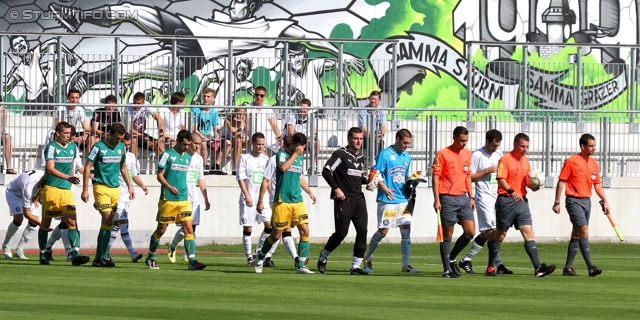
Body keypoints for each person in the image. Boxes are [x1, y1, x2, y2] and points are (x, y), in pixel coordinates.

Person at [486, 133, 556, 277]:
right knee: (500, 236)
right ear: (515, 145)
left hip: (522, 201)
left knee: (529, 232)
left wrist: (533, 186)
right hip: (506, 201)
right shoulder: (505, 160)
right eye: (522, 146)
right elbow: (501, 179)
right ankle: (490, 267)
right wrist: (511, 191)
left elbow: (525, 181)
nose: (525, 149)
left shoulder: (526, 161)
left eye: (527, 147)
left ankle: (538, 268)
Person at [253, 133, 316, 274]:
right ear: (294, 144)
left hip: (297, 201)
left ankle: (300, 265)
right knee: (276, 235)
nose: (301, 150)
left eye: (304, 147)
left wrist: (309, 192)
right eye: (300, 146)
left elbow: (299, 178)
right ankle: (260, 256)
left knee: (305, 230)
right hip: (282, 202)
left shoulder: (299, 158)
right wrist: (260, 200)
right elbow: (283, 168)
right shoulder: (282, 155)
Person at [145, 130, 206, 270]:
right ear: (177, 141)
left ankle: (192, 261)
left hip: (183, 199)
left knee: (189, 229)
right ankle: (151, 257)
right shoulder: (166, 155)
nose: (186, 147)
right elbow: (159, 175)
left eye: (188, 145)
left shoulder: (188, 158)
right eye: (184, 144)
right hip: (168, 198)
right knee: (161, 229)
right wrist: (169, 186)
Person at [363, 129, 418, 273]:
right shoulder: (385, 154)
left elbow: (405, 176)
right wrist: (385, 188)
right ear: (397, 139)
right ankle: (367, 258)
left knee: (406, 231)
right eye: (405, 143)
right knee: (383, 231)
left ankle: (406, 265)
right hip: (388, 199)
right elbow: (377, 174)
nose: (407, 146)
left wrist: (412, 182)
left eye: (409, 143)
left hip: (403, 199)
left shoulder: (407, 156)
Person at [459, 129, 513, 275]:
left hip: (497, 196)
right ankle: (497, 264)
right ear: (487, 141)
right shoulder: (476, 155)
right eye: (494, 145)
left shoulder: (499, 154)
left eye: (498, 145)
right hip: (483, 196)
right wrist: (486, 171)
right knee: (493, 230)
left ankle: (466, 260)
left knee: (490, 232)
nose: (496, 148)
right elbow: (469, 177)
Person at [317, 127, 370, 275]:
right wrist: (336, 188)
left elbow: (357, 177)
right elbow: (326, 171)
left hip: (358, 198)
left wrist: (369, 182)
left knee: (362, 230)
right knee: (341, 233)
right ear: (349, 139)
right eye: (355, 138)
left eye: (361, 138)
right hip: (344, 199)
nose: (359, 141)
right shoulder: (340, 154)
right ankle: (324, 255)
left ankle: (356, 266)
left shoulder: (360, 157)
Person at [553, 133, 606, 277]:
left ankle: (567, 268)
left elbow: (598, 185)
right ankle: (591, 267)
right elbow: (561, 181)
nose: (594, 148)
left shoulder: (594, 163)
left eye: (594, 145)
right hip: (573, 200)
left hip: (587, 202)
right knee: (584, 231)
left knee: (576, 234)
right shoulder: (571, 161)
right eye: (591, 146)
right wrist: (557, 202)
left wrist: (604, 201)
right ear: (583, 146)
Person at [38, 121, 91, 266]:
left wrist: (85, 176)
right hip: (52, 190)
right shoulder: (51, 147)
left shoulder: (73, 147)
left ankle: (76, 254)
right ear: (58, 133)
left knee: (72, 222)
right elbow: (49, 168)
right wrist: (68, 177)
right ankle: (43, 254)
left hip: (66, 191)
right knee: (46, 223)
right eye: (66, 133)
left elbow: (73, 167)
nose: (68, 136)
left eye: (70, 133)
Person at [82, 123, 134, 267]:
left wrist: (130, 186)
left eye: (121, 139)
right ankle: (104, 256)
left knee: (107, 224)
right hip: (101, 186)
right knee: (108, 219)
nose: (119, 141)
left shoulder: (121, 147)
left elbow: (123, 167)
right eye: (117, 138)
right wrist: (85, 189)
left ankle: (99, 258)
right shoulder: (98, 147)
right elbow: (87, 167)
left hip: (115, 188)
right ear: (110, 134)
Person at [432, 126, 475, 278]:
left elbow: (467, 176)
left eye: (466, 141)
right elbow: (436, 177)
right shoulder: (442, 154)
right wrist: (437, 199)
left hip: (463, 197)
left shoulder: (467, 154)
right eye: (462, 141)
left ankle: (452, 258)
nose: (464, 144)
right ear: (454, 138)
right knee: (447, 235)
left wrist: (471, 197)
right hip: (447, 198)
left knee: (470, 232)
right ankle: (446, 270)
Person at [236, 132, 279, 267]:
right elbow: (241, 179)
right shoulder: (244, 159)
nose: (260, 147)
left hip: (263, 199)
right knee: (248, 228)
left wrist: (272, 196)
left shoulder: (266, 159)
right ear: (252, 144)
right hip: (248, 198)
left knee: (270, 226)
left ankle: (259, 249)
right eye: (258, 144)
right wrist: (247, 195)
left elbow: (268, 181)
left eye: (262, 144)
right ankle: (249, 256)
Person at [168, 132, 211, 264]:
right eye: (195, 143)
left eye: (199, 144)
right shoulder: (182, 157)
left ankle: (186, 255)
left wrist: (206, 198)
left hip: (195, 199)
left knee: (192, 228)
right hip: (182, 198)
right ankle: (174, 246)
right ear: (189, 143)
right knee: (187, 228)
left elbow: (201, 179)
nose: (198, 146)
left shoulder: (198, 159)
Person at [109, 133, 149, 263]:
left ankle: (104, 252)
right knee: (122, 223)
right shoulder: (115, 155)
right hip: (117, 194)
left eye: (128, 145)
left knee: (117, 226)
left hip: (127, 195)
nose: (126, 147)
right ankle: (132, 253)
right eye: (124, 144)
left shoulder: (131, 157)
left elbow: (133, 175)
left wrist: (142, 185)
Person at [3, 169, 46, 259]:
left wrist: (37, 197)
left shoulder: (45, 176)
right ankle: (5, 245)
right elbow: (26, 214)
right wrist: (42, 225)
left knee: (33, 223)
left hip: (31, 194)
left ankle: (19, 250)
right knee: (19, 219)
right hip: (14, 193)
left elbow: (43, 188)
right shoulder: (29, 187)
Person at [284, 98, 321, 174]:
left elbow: (314, 132)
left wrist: (312, 137)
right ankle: (296, 167)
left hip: (305, 140)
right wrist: (301, 141)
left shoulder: (311, 117)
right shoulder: (292, 115)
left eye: (305, 109)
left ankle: (313, 167)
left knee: (317, 143)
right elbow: (290, 133)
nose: (302, 111)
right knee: (297, 144)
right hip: (294, 140)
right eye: (301, 108)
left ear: (309, 109)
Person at [192, 88, 220, 173]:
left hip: (208, 135)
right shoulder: (196, 110)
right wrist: (204, 137)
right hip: (197, 134)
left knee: (225, 144)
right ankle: (204, 165)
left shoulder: (214, 112)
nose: (206, 98)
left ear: (213, 99)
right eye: (204, 96)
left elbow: (216, 129)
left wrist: (217, 138)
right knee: (203, 144)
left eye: (208, 96)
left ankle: (216, 166)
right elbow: (194, 129)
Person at [127, 92, 164, 157]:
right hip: (129, 134)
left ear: (143, 103)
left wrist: (160, 134)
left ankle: (162, 166)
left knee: (158, 143)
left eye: (138, 104)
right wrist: (143, 136)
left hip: (141, 134)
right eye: (134, 103)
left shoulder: (146, 104)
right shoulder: (128, 108)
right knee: (134, 138)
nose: (136, 105)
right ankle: (133, 164)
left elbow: (159, 119)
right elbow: (130, 129)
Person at [247, 86, 281, 154]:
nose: (259, 97)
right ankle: (268, 162)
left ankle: (283, 163)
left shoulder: (267, 108)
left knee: (281, 146)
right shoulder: (248, 107)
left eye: (261, 95)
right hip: (250, 135)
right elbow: (247, 127)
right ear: (254, 95)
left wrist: (279, 137)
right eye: (257, 95)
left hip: (263, 135)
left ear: (264, 96)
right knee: (258, 149)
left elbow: (273, 125)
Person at [213, 107, 247, 175]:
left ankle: (236, 169)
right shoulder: (228, 119)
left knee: (240, 141)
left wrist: (245, 137)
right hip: (224, 137)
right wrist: (240, 122)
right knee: (231, 142)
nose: (238, 116)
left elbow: (247, 132)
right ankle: (217, 166)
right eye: (236, 114)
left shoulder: (245, 120)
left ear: (244, 115)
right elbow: (233, 131)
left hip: (235, 139)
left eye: (240, 114)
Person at [358, 91, 386, 166]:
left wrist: (381, 135)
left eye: (375, 99)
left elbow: (383, 126)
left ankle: (376, 165)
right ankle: (375, 165)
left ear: (380, 100)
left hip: (377, 137)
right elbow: (363, 129)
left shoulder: (382, 111)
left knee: (381, 143)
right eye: (371, 98)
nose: (373, 101)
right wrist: (374, 137)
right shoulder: (363, 111)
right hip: (365, 137)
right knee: (376, 143)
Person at [1, 97, 16, 174]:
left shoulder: (3, 111)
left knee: (8, 137)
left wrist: (2, 132)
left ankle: (9, 167)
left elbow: (3, 126)